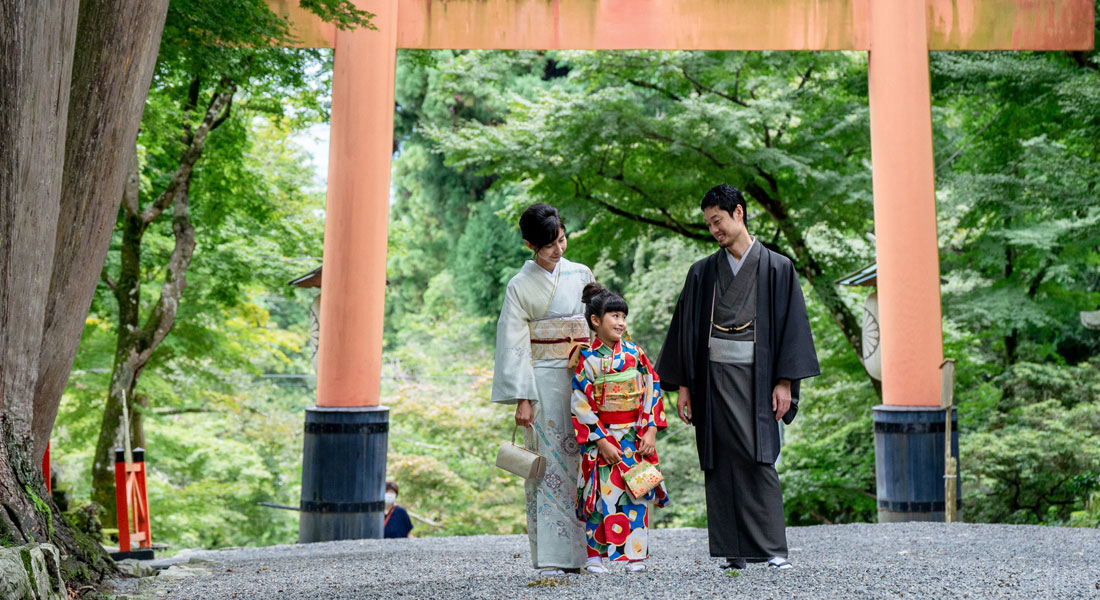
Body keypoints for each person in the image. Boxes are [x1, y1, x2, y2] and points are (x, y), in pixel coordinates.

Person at [655, 183, 819, 571]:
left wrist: (784, 381)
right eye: (709, 224)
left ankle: (773, 550)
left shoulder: (778, 267)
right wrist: (683, 387)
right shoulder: (702, 273)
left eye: (718, 221)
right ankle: (734, 551)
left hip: (758, 378)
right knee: (719, 459)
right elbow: (686, 332)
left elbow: (791, 328)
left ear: (739, 213)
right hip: (711, 380)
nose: (714, 230)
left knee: (759, 457)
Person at [492, 203, 593, 575]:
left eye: (562, 239)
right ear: (529, 244)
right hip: (543, 380)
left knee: (585, 458)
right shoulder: (520, 285)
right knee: (549, 465)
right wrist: (523, 398)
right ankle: (553, 554)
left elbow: (595, 322)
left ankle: (588, 553)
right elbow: (515, 343)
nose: (559, 249)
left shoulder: (581, 273)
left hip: (581, 378)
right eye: (549, 244)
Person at [571, 283, 669, 574]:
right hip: (602, 438)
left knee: (634, 493)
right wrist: (600, 440)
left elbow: (653, 388)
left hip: (633, 436)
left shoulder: (635, 354)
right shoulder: (587, 359)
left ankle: (634, 555)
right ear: (595, 321)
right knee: (598, 495)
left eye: (623, 316)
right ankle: (595, 557)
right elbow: (580, 402)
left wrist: (650, 429)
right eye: (614, 315)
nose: (621, 322)